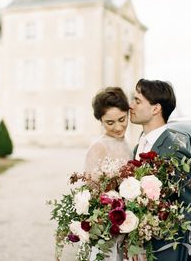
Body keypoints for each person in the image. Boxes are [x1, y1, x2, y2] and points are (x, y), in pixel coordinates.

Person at [129, 78, 191, 261]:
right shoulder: (138, 146)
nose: (130, 105)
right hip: (138, 250)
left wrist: (157, 226)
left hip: (165, 251)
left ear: (156, 109)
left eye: (137, 101)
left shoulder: (175, 151)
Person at [85, 87, 133, 261]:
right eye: (110, 122)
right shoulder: (98, 148)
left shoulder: (129, 144)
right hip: (107, 228)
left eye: (122, 119)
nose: (118, 127)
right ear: (101, 120)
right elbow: (93, 193)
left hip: (130, 226)